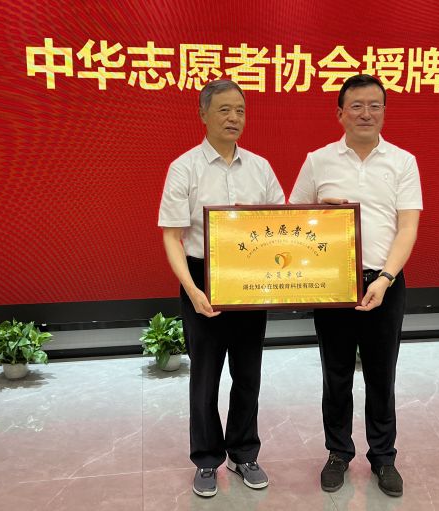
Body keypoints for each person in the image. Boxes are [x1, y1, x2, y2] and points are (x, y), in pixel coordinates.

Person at [289, 74, 422, 497]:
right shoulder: (318, 160)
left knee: (382, 375)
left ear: (384, 111)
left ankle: (383, 457)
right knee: (336, 375)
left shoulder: (403, 161)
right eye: (357, 106)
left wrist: (385, 278)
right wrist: (318, 210)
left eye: (375, 105)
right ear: (340, 113)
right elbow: (291, 220)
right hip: (334, 284)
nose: (367, 113)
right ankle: (338, 453)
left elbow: (408, 227)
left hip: (386, 281)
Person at [158, 79, 285, 498]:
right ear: (203, 114)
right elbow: (172, 236)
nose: (234, 118)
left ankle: (244, 452)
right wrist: (192, 290)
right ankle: (207, 459)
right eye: (224, 110)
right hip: (203, 279)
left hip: (250, 279)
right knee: (206, 376)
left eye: (241, 110)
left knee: (248, 373)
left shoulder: (260, 168)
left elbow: (283, 224)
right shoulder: (184, 167)